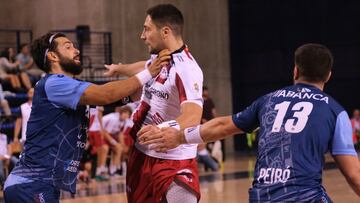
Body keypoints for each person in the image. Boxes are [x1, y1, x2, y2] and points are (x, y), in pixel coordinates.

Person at [138, 43, 360, 202]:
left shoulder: (269, 99)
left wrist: (179, 136)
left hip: (261, 196)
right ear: (328, 75)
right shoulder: (335, 111)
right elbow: (353, 175)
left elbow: (223, 126)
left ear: (295, 71)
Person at [3, 32, 170, 203]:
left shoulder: (68, 86)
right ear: (53, 56)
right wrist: (149, 72)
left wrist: (154, 78)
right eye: (68, 47)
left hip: (40, 184)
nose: (76, 51)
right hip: (30, 185)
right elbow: (106, 94)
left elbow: (123, 95)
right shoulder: (54, 83)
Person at [105, 4, 203, 202]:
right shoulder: (159, 59)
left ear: (165, 32)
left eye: (147, 29)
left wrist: (163, 128)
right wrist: (120, 68)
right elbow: (144, 66)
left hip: (173, 160)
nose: (142, 36)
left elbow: (193, 116)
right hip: (141, 154)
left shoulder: (187, 69)